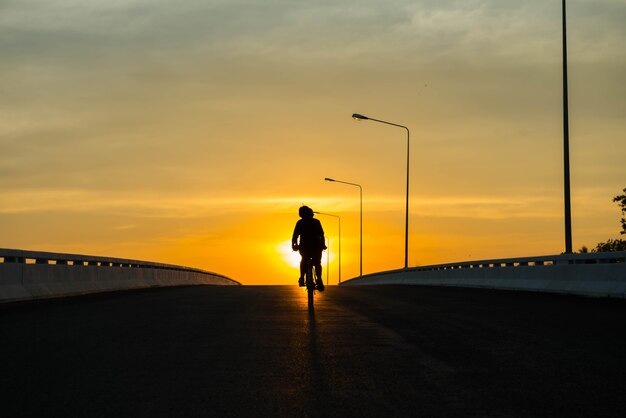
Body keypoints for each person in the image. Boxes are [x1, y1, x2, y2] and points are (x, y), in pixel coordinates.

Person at [292, 205, 326, 291]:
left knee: (303, 260)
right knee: (317, 263)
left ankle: (302, 278)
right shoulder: (316, 222)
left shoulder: (300, 222)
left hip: (304, 246)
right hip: (316, 246)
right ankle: (319, 279)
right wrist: (323, 245)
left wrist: (294, 245)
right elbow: (321, 235)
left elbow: (295, 236)